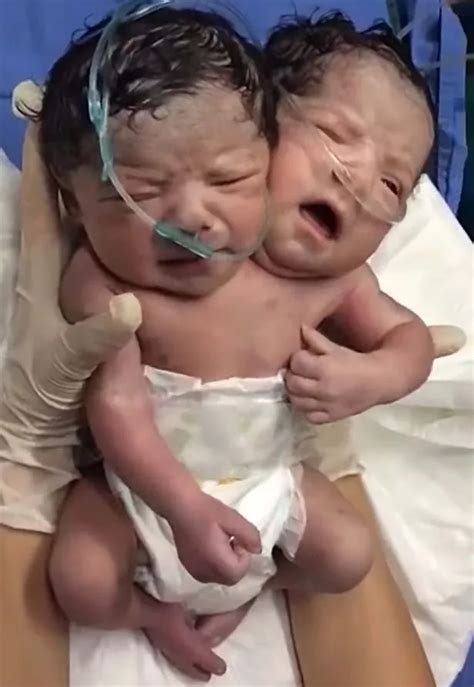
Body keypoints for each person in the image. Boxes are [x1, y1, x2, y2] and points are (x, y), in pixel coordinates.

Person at [36, 6, 438, 680]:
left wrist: (376, 376)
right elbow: (118, 407)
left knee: (349, 555)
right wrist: (183, 508)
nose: (359, 181)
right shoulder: (111, 277)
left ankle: (263, 584)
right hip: (140, 490)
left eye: (392, 185)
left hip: (268, 481)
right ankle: (150, 615)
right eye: (337, 137)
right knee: (80, 579)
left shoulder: (334, 282)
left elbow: (411, 338)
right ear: (267, 135)